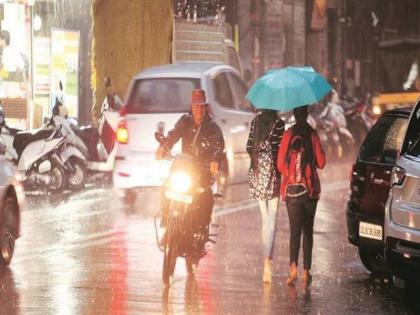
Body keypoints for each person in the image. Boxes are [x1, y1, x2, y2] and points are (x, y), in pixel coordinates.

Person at [155, 89, 225, 239]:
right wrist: (164, 147)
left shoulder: (213, 127)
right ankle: (166, 220)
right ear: (191, 107)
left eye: (201, 106)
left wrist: (215, 161)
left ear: (206, 108)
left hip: (202, 171)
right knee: (166, 186)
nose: (198, 109)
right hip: (184, 167)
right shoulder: (185, 121)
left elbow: (219, 147)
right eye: (195, 106)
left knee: (206, 197)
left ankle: (201, 230)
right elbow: (173, 135)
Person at [277, 105, 326, 286]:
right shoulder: (312, 134)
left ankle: (293, 269)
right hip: (310, 191)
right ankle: (306, 272)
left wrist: (292, 171)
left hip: (292, 191)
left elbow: (280, 165)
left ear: (294, 115)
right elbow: (322, 163)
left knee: (294, 232)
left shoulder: (288, 134)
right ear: (306, 115)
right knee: (308, 232)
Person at [246, 109, 285, 283]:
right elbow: (280, 152)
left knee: (264, 219)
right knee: (272, 220)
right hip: (273, 175)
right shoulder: (279, 124)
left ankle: (265, 261)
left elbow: (248, 147)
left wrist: (257, 157)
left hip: (257, 172)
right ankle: (268, 261)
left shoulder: (255, 122)